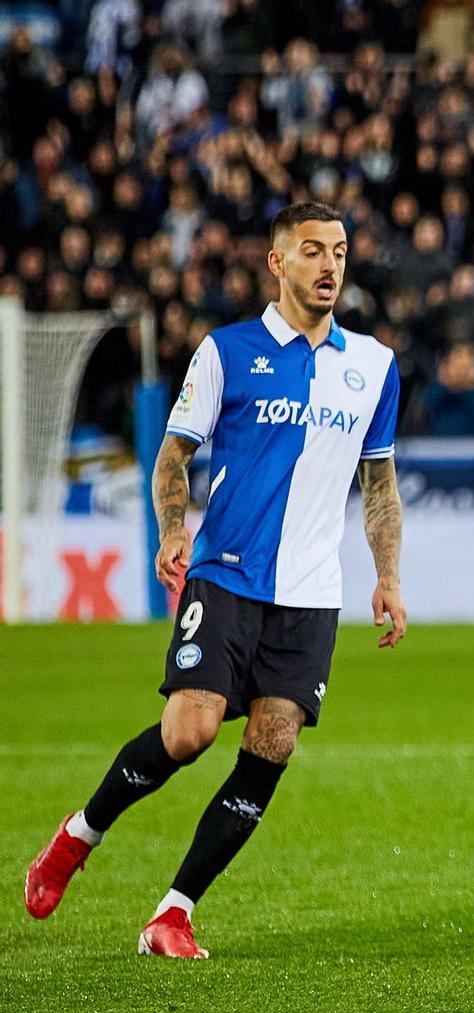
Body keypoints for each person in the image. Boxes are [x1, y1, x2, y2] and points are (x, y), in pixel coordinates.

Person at [24, 202, 408, 958]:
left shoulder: (374, 367)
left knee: (272, 741)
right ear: (278, 264)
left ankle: (173, 912)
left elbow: (380, 483)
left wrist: (388, 575)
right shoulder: (227, 351)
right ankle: (78, 836)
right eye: (311, 251)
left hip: (311, 593)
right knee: (190, 732)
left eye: (338, 251)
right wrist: (174, 529)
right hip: (227, 573)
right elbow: (173, 457)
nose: (329, 265)